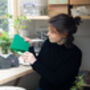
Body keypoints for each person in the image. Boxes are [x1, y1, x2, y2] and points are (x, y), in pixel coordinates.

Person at [20, 14, 82, 90]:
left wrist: (34, 61)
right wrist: (30, 47)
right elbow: (39, 65)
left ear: (64, 34)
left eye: (52, 32)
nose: (47, 34)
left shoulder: (75, 54)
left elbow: (57, 80)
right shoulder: (48, 43)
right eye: (49, 30)